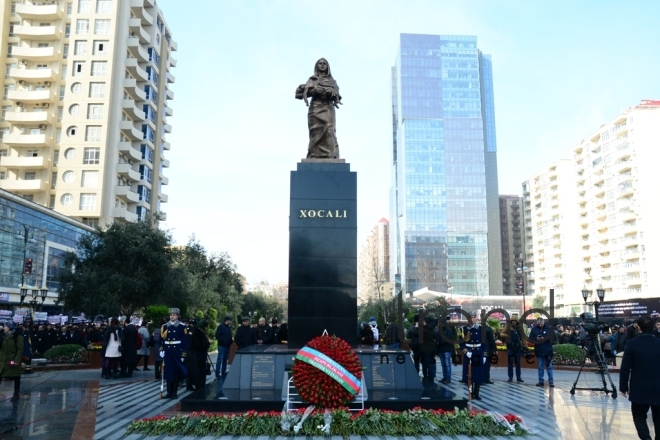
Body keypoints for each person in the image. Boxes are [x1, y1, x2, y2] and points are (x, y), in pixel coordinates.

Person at [619, 316, 660, 440]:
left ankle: (646, 438)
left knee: (639, 416)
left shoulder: (631, 344)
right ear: (653, 327)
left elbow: (625, 367)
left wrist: (623, 387)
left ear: (639, 327)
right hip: (658, 387)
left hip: (639, 387)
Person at [295, 58, 342, 159]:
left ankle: (330, 155)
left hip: (328, 107)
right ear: (316, 66)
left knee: (329, 129)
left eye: (324, 63)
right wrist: (314, 90)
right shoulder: (312, 79)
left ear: (327, 66)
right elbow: (300, 94)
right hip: (315, 108)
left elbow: (337, 95)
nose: (322, 65)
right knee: (315, 132)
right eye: (320, 63)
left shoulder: (332, 81)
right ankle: (313, 155)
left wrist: (329, 92)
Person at [161, 308, 188, 398]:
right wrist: (161, 350)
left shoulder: (181, 326)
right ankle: (169, 392)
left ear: (177, 316)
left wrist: (183, 353)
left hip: (176, 351)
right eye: (171, 315)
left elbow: (185, 341)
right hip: (168, 351)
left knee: (176, 372)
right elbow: (162, 339)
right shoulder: (165, 326)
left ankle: (174, 393)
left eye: (174, 315)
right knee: (168, 371)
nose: (172, 316)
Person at [459, 312, 485, 400]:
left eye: (474, 317)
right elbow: (461, 343)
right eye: (471, 317)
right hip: (469, 352)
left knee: (478, 374)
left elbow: (484, 343)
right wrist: (466, 352)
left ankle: (476, 393)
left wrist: (484, 355)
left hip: (478, 352)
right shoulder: (464, 329)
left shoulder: (481, 329)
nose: (473, 319)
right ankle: (469, 392)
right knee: (469, 374)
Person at [0, 322, 24, 401]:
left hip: (12, 359)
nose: (4, 328)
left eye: (5, 326)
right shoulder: (3, 336)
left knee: (16, 377)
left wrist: (17, 360)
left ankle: (16, 394)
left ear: (10, 327)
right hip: (3, 360)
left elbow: (20, 349)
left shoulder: (18, 336)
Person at [530, 317, 554, 387]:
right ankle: (541, 381)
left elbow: (554, 338)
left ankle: (551, 381)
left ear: (544, 322)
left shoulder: (549, 329)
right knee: (540, 366)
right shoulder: (534, 329)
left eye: (541, 323)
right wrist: (536, 338)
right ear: (537, 323)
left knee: (549, 366)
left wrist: (545, 338)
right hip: (539, 350)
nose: (540, 325)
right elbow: (530, 339)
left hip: (548, 350)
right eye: (539, 324)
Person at [186, 320, 210, 391]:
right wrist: (207, 344)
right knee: (197, 371)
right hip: (196, 356)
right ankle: (197, 385)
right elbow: (199, 344)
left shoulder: (197, 332)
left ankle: (191, 384)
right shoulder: (197, 333)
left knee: (193, 371)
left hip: (196, 355)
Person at [500, 314, 524, 383]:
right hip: (510, 348)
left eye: (515, 321)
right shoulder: (508, 327)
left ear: (517, 322)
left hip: (518, 348)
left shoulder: (519, 328)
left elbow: (522, 338)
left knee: (518, 363)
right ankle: (510, 377)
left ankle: (518, 377)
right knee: (510, 363)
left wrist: (525, 346)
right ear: (511, 321)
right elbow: (501, 333)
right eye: (513, 321)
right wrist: (507, 335)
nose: (514, 322)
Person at [436, 316, 455, 384]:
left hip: (447, 349)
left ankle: (448, 378)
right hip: (441, 349)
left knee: (447, 364)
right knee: (443, 364)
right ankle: (445, 377)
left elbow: (448, 339)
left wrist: (440, 341)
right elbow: (437, 337)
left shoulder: (448, 330)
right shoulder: (440, 330)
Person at [418, 314, 436, 381]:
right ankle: (431, 376)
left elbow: (416, 334)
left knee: (424, 364)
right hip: (431, 348)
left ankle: (425, 376)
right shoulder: (433, 329)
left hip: (424, 349)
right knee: (430, 364)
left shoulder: (423, 330)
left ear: (425, 322)